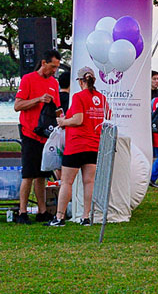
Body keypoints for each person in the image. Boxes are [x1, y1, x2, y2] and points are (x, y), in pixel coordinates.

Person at [48, 67, 109, 227]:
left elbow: (78, 119)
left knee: (66, 182)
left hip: (76, 144)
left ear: (80, 81)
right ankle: (86, 217)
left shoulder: (78, 97)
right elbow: (107, 119)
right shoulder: (101, 98)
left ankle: (59, 217)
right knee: (89, 182)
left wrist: (63, 122)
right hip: (94, 145)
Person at [13, 49, 61, 224]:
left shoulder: (54, 84)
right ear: (43, 63)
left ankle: (42, 211)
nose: (54, 70)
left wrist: (61, 121)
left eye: (57, 68)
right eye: (52, 66)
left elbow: (56, 108)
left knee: (42, 175)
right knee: (28, 175)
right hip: (29, 133)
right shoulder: (28, 79)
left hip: (45, 135)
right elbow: (17, 105)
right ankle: (22, 211)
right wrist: (38, 99)